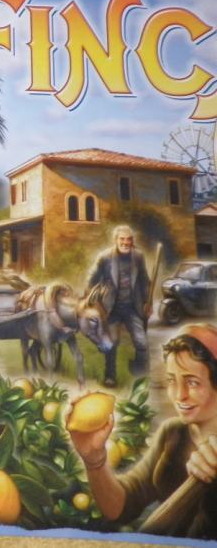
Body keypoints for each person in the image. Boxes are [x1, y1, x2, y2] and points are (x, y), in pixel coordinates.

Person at [70, 324, 217, 539]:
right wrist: (94, 461)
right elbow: (121, 507)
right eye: (171, 380)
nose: (179, 395)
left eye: (192, 383)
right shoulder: (173, 433)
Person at [87, 225, 151, 386]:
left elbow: (144, 281)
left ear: (132, 241)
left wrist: (147, 302)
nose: (125, 242)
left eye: (129, 239)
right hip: (111, 308)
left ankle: (139, 373)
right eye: (122, 239)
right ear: (115, 240)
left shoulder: (138, 256)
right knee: (112, 342)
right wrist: (95, 302)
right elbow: (91, 280)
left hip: (132, 307)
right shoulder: (104, 257)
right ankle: (110, 376)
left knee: (142, 342)